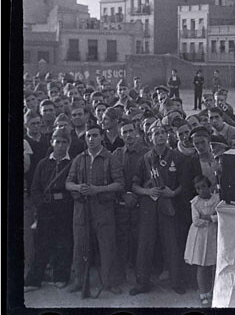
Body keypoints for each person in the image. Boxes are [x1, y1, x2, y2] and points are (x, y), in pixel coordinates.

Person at [65, 122, 124, 295]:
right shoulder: (79, 158)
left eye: (95, 135)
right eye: (88, 136)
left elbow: (120, 184)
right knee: (80, 246)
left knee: (107, 246)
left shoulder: (111, 158)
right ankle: (79, 281)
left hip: (103, 208)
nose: (91, 139)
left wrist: (98, 189)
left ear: (102, 137)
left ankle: (110, 282)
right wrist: (78, 188)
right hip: (81, 209)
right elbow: (68, 182)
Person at [130, 122, 187, 295]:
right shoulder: (145, 159)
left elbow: (184, 184)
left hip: (168, 205)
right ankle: (142, 283)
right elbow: (134, 186)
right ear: (150, 137)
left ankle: (177, 281)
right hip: (149, 206)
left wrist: (173, 193)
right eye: (156, 133)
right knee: (145, 244)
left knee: (171, 244)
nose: (160, 136)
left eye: (163, 132)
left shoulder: (177, 157)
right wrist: (147, 191)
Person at [24, 128, 74, 291]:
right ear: (51, 142)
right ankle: (33, 280)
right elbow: (35, 188)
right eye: (57, 141)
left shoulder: (72, 163)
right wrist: (40, 204)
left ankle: (60, 276)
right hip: (46, 208)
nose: (60, 146)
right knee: (41, 244)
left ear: (69, 144)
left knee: (63, 243)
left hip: (65, 208)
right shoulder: (43, 163)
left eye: (64, 142)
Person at [112, 120, 146, 285]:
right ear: (120, 135)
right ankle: (123, 272)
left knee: (139, 238)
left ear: (137, 133)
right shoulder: (117, 154)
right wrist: (124, 194)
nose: (128, 135)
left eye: (130, 131)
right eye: (124, 132)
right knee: (123, 238)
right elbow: (113, 177)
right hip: (122, 203)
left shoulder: (146, 153)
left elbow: (149, 179)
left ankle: (139, 272)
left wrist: (137, 196)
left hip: (141, 203)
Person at [184, 175, 221, 306]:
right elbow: (196, 221)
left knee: (213, 264)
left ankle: (212, 291)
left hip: (213, 234)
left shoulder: (216, 199)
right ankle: (203, 293)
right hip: (200, 236)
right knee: (201, 265)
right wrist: (210, 219)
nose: (201, 190)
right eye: (198, 188)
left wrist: (210, 218)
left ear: (209, 186)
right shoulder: (195, 202)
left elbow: (220, 216)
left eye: (204, 187)